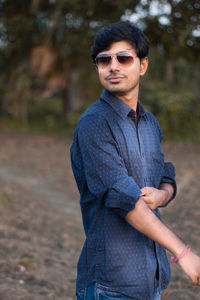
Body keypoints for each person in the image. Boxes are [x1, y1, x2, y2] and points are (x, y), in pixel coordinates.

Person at [70, 22, 200, 300]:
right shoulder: (94, 124)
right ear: (97, 68)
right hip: (111, 284)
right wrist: (183, 252)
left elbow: (164, 173)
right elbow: (124, 199)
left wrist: (163, 195)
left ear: (142, 65)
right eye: (104, 60)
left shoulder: (150, 123)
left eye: (123, 57)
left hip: (151, 279)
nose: (113, 66)